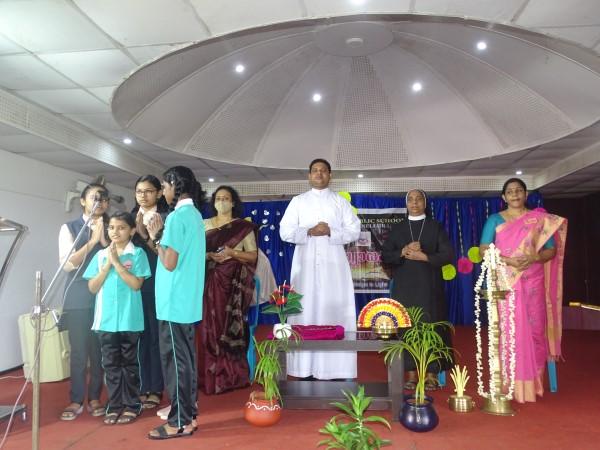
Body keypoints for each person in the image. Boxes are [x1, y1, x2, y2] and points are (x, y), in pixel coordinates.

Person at [480, 178, 567, 403]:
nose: (515, 194)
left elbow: (551, 250)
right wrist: (509, 260)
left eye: (519, 190)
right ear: (504, 197)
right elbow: (483, 250)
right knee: (508, 329)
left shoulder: (539, 220)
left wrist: (534, 258)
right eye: (510, 191)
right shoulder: (494, 220)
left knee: (535, 328)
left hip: (533, 280)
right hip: (506, 280)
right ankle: (507, 382)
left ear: (526, 194)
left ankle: (533, 382)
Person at [279, 158, 361, 380]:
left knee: (333, 309)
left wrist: (331, 231)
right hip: (304, 266)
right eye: (315, 170)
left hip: (335, 268)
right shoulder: (298, 201)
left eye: (323, 170)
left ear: (330, 175)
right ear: (309, 175)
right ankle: (303, 369)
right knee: (304, 311)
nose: (319, 174)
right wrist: (308, 231)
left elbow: (354, 230)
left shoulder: (339, 202)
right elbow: (285, 231)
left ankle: (336, 369)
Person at [146, 166, 206, 440]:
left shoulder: (177, 217)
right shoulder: (195, 215)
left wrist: (156, 235)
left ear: (174, 185)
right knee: (186, 362)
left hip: (173, 301)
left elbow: (169, 262)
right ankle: (188, 418)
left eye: (164, 186)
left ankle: (179, 422)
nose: (163, 192)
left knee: (176, 364)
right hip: (186, 301)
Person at [381, 189, 455, 390]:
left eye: (418, 199)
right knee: (407, 328)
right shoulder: (398, 229)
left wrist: (425, 257)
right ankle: (411, 374)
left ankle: (431, 374)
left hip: (430, 287)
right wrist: (403, 251)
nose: (414, 203)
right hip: (404, 287)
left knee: (431, 327)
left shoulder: (435, 227)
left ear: (425, 203)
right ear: (406, 204)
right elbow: (385, 256)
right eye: (411, 200)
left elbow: (448, 254)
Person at [83, 211, 151, 425]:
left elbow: (136, 284)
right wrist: (107, 265)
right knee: (110, 364)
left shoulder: (137, 253)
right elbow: (92, 287)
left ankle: (132, 404)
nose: (115, 232)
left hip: (130, 319)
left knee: (129, 364)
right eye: (111, 227)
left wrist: (118, 264)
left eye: (121, 228)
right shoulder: (100, 255)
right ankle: (114, 405)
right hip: (105, 320)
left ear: (132, 231)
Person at [197, 186, 258, 394]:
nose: (222, 202)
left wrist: (232, 253)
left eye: (226, 198)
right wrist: (208, 256)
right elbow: (196, 252)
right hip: (209, 280)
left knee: (227, 327)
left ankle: (229, 376)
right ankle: (209, 376)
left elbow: (252, 256)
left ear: (233, 202)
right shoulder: (204, 224)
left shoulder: (243, 227)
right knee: (208, 327)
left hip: (232, 284)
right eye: (218, 198)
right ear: (213, 202)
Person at [58, 183, 108, 420]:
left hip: (104, 295)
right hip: (77, 296)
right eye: (94, 197)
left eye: (103, 198)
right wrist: (92, 240)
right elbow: (68, 264)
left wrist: (103, 237)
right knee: (78, 351)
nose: (100, 202)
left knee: (99, 350)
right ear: (82, 201)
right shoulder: (69, 228)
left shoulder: (112, 226)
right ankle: (76, 399)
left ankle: (95, 397)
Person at [131, 175, 169, 409]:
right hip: (133, 284)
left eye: (148, 191)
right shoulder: (128, 217)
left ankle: (155, 387)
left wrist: (145, 235)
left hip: (157, 281)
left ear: (158, 193)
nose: (143, 196)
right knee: (137, 336)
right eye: (139, 191)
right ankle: (140, 385)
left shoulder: (166, 218)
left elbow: (167, 256)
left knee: (155, 336)